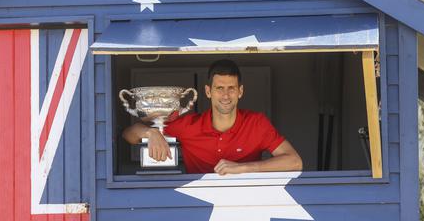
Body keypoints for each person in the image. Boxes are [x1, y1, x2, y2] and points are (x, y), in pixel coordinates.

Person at [122, 59, 302, 175]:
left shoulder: (256, 123)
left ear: (240, 91)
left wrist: (243, 168)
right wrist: (151, 133)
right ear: (208, 91)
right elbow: (129, 134)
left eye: (231, 88)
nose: (226, 95)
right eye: (219, 88)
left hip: (246, 202)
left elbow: (295, 162)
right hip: (198, 207)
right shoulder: (189, 125)